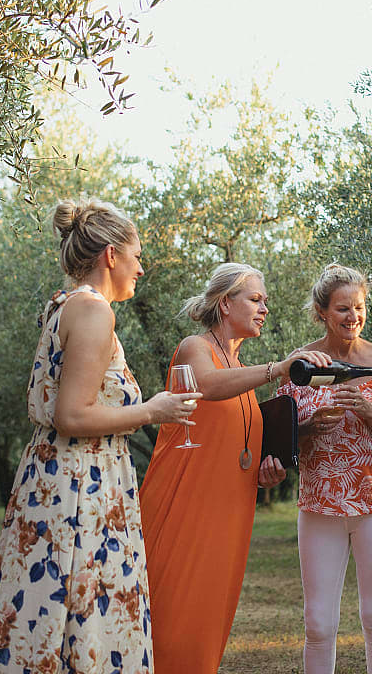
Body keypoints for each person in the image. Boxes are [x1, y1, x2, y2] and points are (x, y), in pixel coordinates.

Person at [0, 200, 200, 674]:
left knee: (45, 611)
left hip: (60, 477)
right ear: (110, 255)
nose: (141, 267)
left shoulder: (66, 305)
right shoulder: (93, 313)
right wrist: (152, 410)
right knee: (81, 612)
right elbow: (72, 415)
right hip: (79, 488)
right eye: (136, 254)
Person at [138, 262, 332, 674]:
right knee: (174, 617)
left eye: (266, 302)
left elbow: (235, 440)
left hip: (230, 508)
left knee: (209, 618)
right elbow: (206, 387)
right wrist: (280, 368)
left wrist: (265, 468)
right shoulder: (197, 347)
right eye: (255, 299)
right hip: (186, 506)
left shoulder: (239, 365)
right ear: (226, 303)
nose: (264, 309)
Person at [275, 264, 372, 674]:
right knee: (318, 623)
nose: (352, 317)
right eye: (342, 309)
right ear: (322, 311)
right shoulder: (299, 365)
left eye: (359, 307)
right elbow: (280, 442)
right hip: (319, 506)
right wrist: (309, 427)